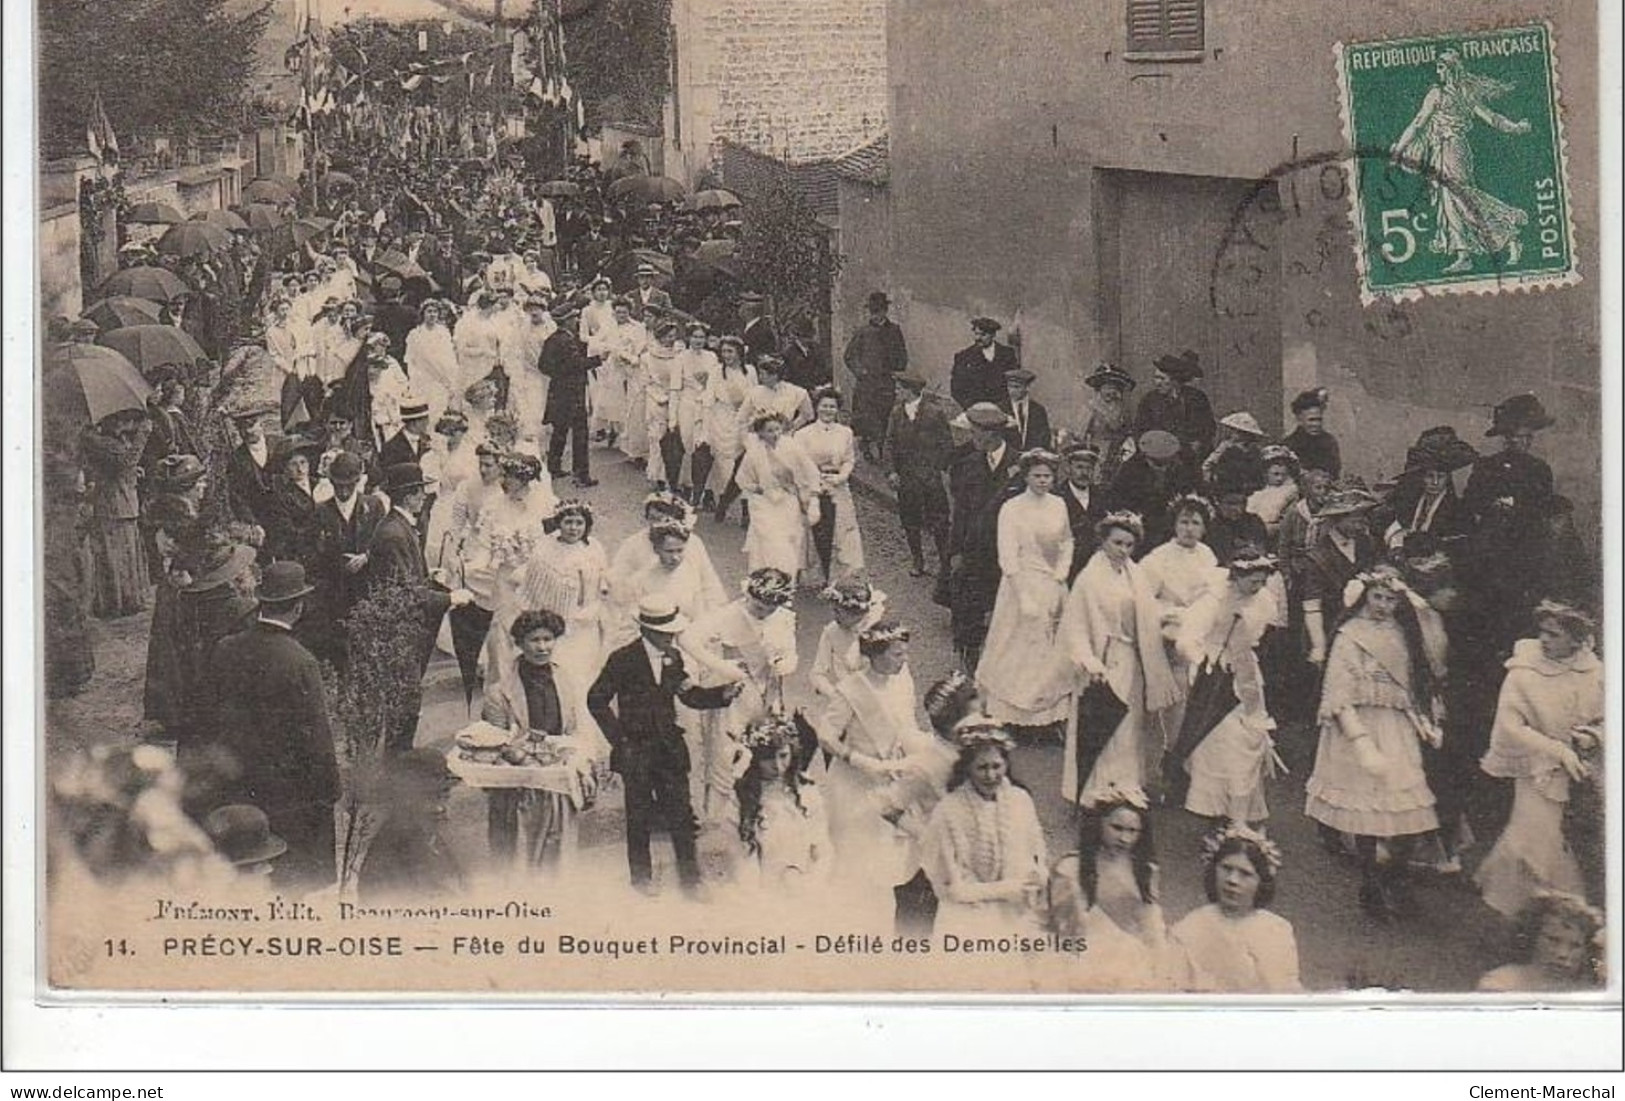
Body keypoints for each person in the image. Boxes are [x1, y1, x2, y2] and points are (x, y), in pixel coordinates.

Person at [1306, 565, 1442, 922]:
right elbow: (1337, 690)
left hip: (1395, 725)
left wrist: (1422, 721)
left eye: (1390, 599)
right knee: (1366, 810)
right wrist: (1361, 741)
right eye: (1377, 597)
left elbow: (1410, 687)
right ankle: (1370, 883)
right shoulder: (1349, 634)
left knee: (1409, 806)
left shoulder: (1403, 633)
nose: (1383, 605)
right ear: (1365, 596)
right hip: (1360, 726)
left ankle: (1393, 876)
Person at [587, 598, 742, 895]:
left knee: (681, 815)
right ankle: (642, 879)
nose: (671, 637)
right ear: (647, 630)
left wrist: (724, 694)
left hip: (669, 748)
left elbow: (689, 696)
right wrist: (619, 739)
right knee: (639, 816)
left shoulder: (674, 658)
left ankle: (691, 881)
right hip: (636, 751)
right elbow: (596, 699)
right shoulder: (623, 659)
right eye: (665, 633)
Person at [206, 562, 337, 889]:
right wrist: (329, 789)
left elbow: (210, 713)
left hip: (238, 781)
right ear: (298, 607)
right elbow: (316, 735)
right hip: (289, 788)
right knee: (293, 869)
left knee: (250, 861)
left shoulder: (226, 648)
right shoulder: (300, 661)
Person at [1474, 601, 1603, 918]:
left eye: (1554, 635)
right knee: (1530, 841)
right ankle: (1520, 912)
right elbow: (1510, 725)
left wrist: (1594, 737)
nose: (1545, 640)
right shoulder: (1523, 672)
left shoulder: (1596, 672)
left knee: (1565, 846)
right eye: (1542, 632)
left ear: (1576, 639)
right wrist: (1556, 750)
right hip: (1538, 770)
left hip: (1583, 771)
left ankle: (1557, 918)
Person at [1059, 510, 1179, 805]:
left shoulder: (1134, 574)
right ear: (1103, 542)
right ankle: (1095, 789)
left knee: (1130, 726)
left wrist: (1172, 618)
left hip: (1131, 660)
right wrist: (1088, 660)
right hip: (1103, 659)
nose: (1123, 550)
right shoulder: (1089, 578)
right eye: (1117, 543)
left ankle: (1125, 784)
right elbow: (1075, 625)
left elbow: (1147, 613)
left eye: (1128, 545)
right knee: (1104, 724)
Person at [478, 609, 609, 873]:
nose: (542, 647)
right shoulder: (499, 692)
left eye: (548, 639)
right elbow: (494, 743)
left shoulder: (567, 681)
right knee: (518, 855)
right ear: (520, 643)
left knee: (556, 854)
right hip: (518, 786)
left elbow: (573, 729)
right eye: (534, 640)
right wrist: (523, 757)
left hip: (556, 781)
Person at [817, 621, 930, 916]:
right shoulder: (850, 690)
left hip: (895, 774)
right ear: (875, 655)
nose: (903, 660)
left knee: (895, 855)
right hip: (856, 782)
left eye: (905, 654)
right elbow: (826, 736)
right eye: (896, 655)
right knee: (857, 854)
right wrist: (860, 761)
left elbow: (909, 723)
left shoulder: (903, 681)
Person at [1389, 49, 1534, 275]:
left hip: (1451, 149)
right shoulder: (1463, 93)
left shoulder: (1438, 94)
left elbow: (1418, 123)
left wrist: (1398, 149)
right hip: (1450, 149)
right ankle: (1464, 254)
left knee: (1462, 200)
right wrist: (1514, 127)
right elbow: (1492, 118)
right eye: (1438, 67)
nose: (1438, 71)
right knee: (1450, 202)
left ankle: (1508, 234)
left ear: (1450, 69)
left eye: (1441, 67)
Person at [364, 463, 475, 751]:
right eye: (420, 493)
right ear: (409, 496)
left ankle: (400, 751)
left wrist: (429, 578)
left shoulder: (399, 527)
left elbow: (406, 577)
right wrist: (451, 598)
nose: (425, 498)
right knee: (406, 696)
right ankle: (398, 759)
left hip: (405, 627)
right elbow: (403, 592)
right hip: (400, 630)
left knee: (408, 695)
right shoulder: (393, 534)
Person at [1176, 548, 1282, 827]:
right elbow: (1186, 640)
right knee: (1222, 745)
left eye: (1262, 582)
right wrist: (1205, 661)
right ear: (1236, 576)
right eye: (1252, 582)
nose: (1257, 588)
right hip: (1216, 681)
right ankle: (1221, 812)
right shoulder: (1213, 602)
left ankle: (1239, 811)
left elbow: (1263, 636)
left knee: (1250, 740)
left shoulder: (1265, 601)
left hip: (1246, 676)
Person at [685, 568, 799, 822]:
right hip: (734, 696)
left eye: (770, 609)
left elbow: (790, 652)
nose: (764, 613)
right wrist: (721, 666)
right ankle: (719, 820)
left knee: (768, 751)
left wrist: (785, 663)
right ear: (748, 595)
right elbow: (689, 638)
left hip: (768, 694)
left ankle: (760, 814)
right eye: (758, 607)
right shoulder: (728, 615)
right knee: (727, 754)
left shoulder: (783, 618)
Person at [921, 721, 1048, 936]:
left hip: (1015, 912)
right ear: (967, 768)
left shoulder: (1020, 800)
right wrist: (1005, 889)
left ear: (1006, 765)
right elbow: (948, 885)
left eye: (996, 766)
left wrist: (1037, 876)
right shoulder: (949, 810)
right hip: (967, 918)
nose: (990, 776)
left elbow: (1037, 852)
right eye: (982, 767)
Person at [976, 449, 1073, 732]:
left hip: (1052, 584)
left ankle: (1045, 716)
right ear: (1026, 476)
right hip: (1021, 585)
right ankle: (1007, 712)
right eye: (1037, 476)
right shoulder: (1012, 508)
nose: (1043, 481)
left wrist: (1062, 573)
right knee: (1015, 647)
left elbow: (1067, 541)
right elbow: (1007, 556)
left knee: (1049, 650)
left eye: (1048, 476)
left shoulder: (1059, 505)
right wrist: (1023, 597)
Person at [1461, 393, 1558, 657]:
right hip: (1492, 557)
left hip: (1524, 558)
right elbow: (1470, 505)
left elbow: (1543, 510)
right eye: (1519, 437)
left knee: (1520, 623)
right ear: (1507, 437)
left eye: (1529, 437)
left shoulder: (1540, 470)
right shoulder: (1487, 467)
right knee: (1489, 622)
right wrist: (1494, 506)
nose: (1524, 442)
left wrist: (1520, 510)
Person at [1048, 787, 1172, 991]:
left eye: (1132, 831)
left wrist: (1160, 963)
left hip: (1133, 959)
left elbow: (1151, 924)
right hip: (1084, 958)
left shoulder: (1145, 870)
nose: (1124, 838)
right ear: (1099, 825)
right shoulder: (1071, 869)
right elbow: (1065, 931)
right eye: (1117, 828)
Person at [488, 499, 609, 687]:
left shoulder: (594, 547)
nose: (574, 528)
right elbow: (535, 588)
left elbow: (602, 577)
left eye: (579, 523)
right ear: (559, 523)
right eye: (568, 522)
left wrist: (595, 602)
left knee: (585, 674)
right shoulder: (545, 549)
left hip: (586, 622)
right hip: (554, 622)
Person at [1168, 827, 1302, 993]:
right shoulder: (1191, 928)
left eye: (1245, 874)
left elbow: (1287, 989)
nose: (1232, 880)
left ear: (1261, 882)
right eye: (1226, 868)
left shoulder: (1277, 929)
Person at [945, 403, 1018, 669]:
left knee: (1007, 608)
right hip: (975, 550)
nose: (971, 437)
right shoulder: (968, 465)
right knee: (971, 607)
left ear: (992, 433)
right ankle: (971, 660)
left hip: (1008, 552)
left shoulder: (1019, 465)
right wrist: (954, 552)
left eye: (976, 432)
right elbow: (960, 513)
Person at [733, 714, 834, 894]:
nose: (778, 766)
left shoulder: (806, 791)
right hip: (760, 889)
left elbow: (823, 849)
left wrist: (810, 884)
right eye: (767, 758)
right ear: (755, 758)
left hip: (803, 884)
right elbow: (739, 858)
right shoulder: (742, 796)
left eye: (783, 756)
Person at [357, 749, 466, 902]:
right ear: (409, 796)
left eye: (444, 795)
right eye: (432, 796)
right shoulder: (401, 838)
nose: (441, 809)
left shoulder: (427, 832)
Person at [310, 452, 386, 666]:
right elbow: (313, 555)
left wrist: (366, 557)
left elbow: (384, 545)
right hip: (335, 592)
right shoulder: (320, 512)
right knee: (339, 648)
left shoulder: (374, 506)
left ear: (358, 482)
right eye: (338, 486)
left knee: (368, 644)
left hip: (366, 588)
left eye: (349, 486)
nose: (343, 491)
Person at [1298, 484, 1382, 674]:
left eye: (1362, 520)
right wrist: (1319, 646)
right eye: (1355, 521)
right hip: (1330, 628)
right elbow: (1312, 605)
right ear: (1337, 521)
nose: (1360, 526)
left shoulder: (1366, 543)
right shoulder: (1318, 556)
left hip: (1364, 625)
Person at [80, 410, 152, 618]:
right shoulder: (98, 441)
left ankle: (129, 600)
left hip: (122, 500)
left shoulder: (112, 439)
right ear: (112, 420)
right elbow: (124, 462)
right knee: (115, 556)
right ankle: (116, 604)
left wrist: (133, 471)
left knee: (126, 554)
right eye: (123, 420)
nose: (128, 424)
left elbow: (122, 466)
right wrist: (142, 436)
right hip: (112, 504)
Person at [884, 372, 954, 578]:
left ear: (910, 390)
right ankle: (918, 560)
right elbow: (889, 443)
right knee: (910, 520)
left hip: (930, 479)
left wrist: (936, 467)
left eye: (900, 388)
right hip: (906, 479)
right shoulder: (897, 413)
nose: (896, 391)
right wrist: (891, 471)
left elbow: (947, 444)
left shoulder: (934, 413)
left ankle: (945, 563)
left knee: (940, 522)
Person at [736, 412, 822, 577]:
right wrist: (757, 488)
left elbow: (811, 471)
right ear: (760, 433)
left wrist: (813, 496)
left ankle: (786, 577)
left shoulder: (792, 447)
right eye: (769, 431)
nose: (775, 434)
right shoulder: (754, 452)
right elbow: (741, 478)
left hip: (788, 500)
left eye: (777, 429)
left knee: (788, 539)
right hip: (764, 504)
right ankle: (763, 576)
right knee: (767, 539)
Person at [795, 387, 864, 586]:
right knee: (813, 529)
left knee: (841, 529)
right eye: (824, 406)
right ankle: (815, 574)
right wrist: (815, 480)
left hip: (837, 487)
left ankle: (839, 576)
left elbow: (849, 459)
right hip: (812, 487)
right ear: (817, 407)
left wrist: (842, 477)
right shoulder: (803, 434)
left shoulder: (845, 433)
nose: (828, 410)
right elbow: (800, 463)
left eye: (832, 407)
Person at [1477, 892, 1605, 993]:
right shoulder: (1500, 984)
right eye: (1553, 940)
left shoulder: (1589, 991)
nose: (1563, 954)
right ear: (1533, 937)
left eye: (1575, 946)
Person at [1382, 427, 1476, 549]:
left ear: (1448, 479)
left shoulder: (1459, 511)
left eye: (1441, 477)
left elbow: (1459, 547)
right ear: (1421, 477)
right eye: (1430, 476)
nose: (1435, 482)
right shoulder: (1410, 503)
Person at [1107, 429, 1198, 552]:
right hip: (1139, 523)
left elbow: (1186, 491)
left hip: (1168, 523)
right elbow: (1117, 500)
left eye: (1167, 463)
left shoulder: (1179, 469)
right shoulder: (1130, 470)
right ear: (1146, 457)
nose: (1163, 468)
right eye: (1157, 464)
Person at [843, 291, 909, 460]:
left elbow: (902, 356)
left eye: (880, 310)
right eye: (874, 311)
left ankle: (882, 450)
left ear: (885, 311)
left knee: (884, 416)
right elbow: (849, 356)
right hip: (866, 384)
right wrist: (861, 372)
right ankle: (866, 447)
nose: (877, 314)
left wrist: (896, 370)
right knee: (866, 417)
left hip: (886, 383)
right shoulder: (863, 332)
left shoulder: (894, 331)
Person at [540, 299, 597, 488]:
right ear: (567, 321)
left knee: (560, 430)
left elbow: (543, 366)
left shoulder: (552, 339)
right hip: (573, 393)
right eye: (574, 318)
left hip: (558, 392)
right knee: (580, 433)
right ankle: (581, 474)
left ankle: (553, 467)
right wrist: (598, 360)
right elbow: (577, 365)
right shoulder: (568, 341)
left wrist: (558, 374)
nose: (577, 321)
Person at [807, 579, 888, 712]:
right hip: (845, 703)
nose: (834, 616)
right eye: (833, 610)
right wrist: (834, 695)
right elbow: (818, 673)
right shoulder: (832, 632)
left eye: (839, 612)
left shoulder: (880, 632)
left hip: (880, 702)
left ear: (858, 612)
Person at [701, 335, 757, 511]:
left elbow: (754, 396)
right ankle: (723, 497)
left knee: (744, 462)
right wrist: (705, 424)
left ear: (739, 352)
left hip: (743, 420)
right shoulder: (717, 371)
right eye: (724, 351)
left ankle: (745, 504)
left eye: (730, 351)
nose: (727, 355)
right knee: (723, 460)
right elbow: (709, 398)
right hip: (721, 419)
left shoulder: (750, 371)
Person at [1133, 350, 1216, 463]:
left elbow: (1207, 429)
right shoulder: (1149, 400)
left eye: (1162, 378)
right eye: (1156, 378)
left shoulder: (1196, 398)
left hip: (1189, 455)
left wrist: (1194, 446)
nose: (1157, 382)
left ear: (1175, 380)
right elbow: (1140, 429)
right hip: (1156, 454)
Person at [402, 299, 461, 424]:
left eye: (435, 311)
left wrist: (450, 378)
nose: (432, 314)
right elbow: (411, 360)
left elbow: (449, 356)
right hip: (423, 378)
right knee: (424, 410)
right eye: (429, 311)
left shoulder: (443, 332)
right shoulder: (415, 334)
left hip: (441, 378)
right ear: (423, 314)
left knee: (439, 409)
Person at [1056, 440, 1105, 583]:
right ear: (1068, 469)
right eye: (1079, 467)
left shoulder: (1102, 496)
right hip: (1066, 570)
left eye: (1089, 468)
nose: (1084, 473)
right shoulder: (1057, 497)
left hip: (1096, 570)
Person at [1078, 363, 1136, 484]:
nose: (1111, 391)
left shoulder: (1122, 409)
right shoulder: (1090, 408)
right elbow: (1080, 435)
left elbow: (1127, 431)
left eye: (1114, 387)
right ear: (1099, 389)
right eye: (1107, 387)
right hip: (1097, 452)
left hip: (1118, 453)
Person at [949, 317, 1019, 411]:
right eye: (976, 334)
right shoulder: (964, 357)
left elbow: (1014, 384)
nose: (978, 338)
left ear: (993, 335)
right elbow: (956, 389)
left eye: (983, 335)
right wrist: (972, 407)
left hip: (1003, 410)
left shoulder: (1007, 355)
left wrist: (1002, 406)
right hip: (975, 410)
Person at [1281, 388, 1342, 479]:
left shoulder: (1329, 442)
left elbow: (1335, 472)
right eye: (1311, 420)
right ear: (1299, 420)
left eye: (1319, 420)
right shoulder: (1289, 445)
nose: (1316, 424)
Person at [1247, 444, 1301, 537]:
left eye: (1283, 474)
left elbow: (1288, 522)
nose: (1280, 478)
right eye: (1275, 474)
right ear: (1265, 473)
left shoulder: (1289, 492)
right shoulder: (1257, 490)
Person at [999, 369, 1052, 452]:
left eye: (1017, 387)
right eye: (1009, 386)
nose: (1012, 391)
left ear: (1027, 388)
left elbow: (1044, 437)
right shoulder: (1001, 409)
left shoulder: (1038, 410)